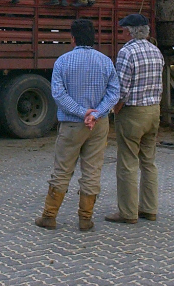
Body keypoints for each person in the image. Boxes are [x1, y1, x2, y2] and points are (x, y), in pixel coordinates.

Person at [35, 18, 120, 232]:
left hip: (72, 124)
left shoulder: (63, 61)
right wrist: (96, 113)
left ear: (72, 38)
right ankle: (85, 218)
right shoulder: (105, 61)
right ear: (94, 38)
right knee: (92, 170)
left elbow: (58, 94)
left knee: (62, 169)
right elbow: (114, 93)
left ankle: (49, 216)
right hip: (98, 125)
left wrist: (83, 113)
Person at [105, 13, 165, 224]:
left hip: (133, 112)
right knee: (149, 161)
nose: (121, 33)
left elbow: (121, 88)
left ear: (130, 31)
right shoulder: (156, 51)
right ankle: (149, 208)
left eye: (123, 29)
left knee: (127, 162)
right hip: (153, 110)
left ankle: (128, 212)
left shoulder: (126, 52)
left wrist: (115, 110)